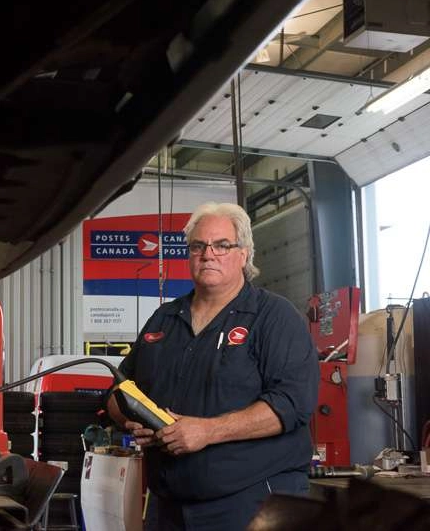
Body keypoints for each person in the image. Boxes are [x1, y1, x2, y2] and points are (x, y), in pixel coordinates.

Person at [108, 202, 319, 531]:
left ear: (244, 254)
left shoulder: (274, 317)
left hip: (252, 504)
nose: (209, 254)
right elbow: (119, 389)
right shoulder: (164, 319)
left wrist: (208, 431)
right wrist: (130, 418)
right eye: (198, 246)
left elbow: (292, 403)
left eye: (222, 245)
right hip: (169, 509)